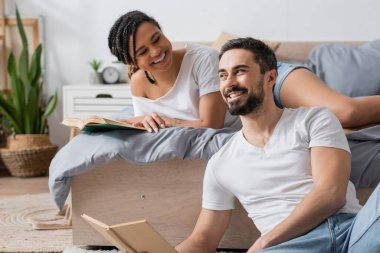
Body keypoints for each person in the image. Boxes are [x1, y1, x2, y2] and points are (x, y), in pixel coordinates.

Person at [175, 38, 380, 253]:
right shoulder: (220, 163)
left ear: (271, 77)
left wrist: (264, 243)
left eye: (240, 71)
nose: (230, 82)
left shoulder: (314, 120)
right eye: (223, 75)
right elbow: (202, 240)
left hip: (352, 235)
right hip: (289, 248)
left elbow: (331, 194)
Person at [108, 10, 240, 132]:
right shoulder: (138, 81)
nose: (156, 51)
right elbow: (145, 126)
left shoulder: (204, 59)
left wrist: (170, 122)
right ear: (132, 62)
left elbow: (212, 125)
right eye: (143, 52)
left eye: (156, 39)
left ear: (162, 32)